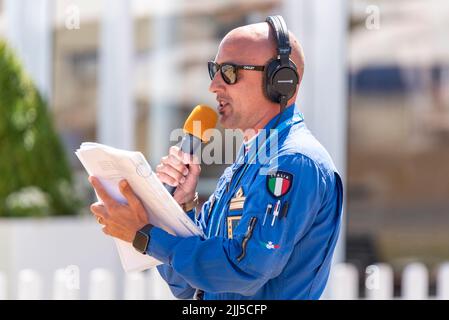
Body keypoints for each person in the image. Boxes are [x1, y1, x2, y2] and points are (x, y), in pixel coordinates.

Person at [89, 15, 343, 300]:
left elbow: (244, 271)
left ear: (280, 81)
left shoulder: (293, 162)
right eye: (215, 70)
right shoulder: (247, 164)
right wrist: (179, 208)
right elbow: (188, 286)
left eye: (230, 72)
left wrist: (145, 236)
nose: (214, 86)